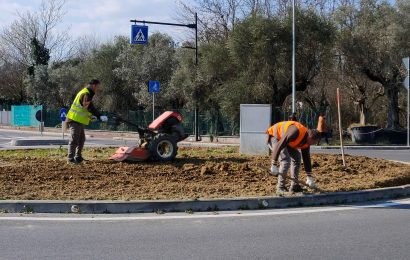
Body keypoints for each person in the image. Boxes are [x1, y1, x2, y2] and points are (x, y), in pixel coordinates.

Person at [266, 120, 319, 193]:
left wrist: (309, 177)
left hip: (286, 140)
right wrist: (273, 164)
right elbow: (279, 144)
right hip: (274, 136)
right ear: (310, 137)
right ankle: (280, 187)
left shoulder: (307, 142)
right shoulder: (295, 132)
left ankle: (294, 186)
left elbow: (306, 158)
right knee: (285, 160)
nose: (312, 144)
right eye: (313, 142)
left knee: (297, 158)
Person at [66, 79, 108, 164]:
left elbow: (84, 109)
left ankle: (78, 157)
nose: (98, 89)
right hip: (74, 120)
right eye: (98, 87)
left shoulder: (87, 93)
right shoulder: (86, 93)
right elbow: (89, 107)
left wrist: (91, 116)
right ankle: (70, 159)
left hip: (79, 120)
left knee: (81, 139)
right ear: (94, 85)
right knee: (74, 139)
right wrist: (99, 115)